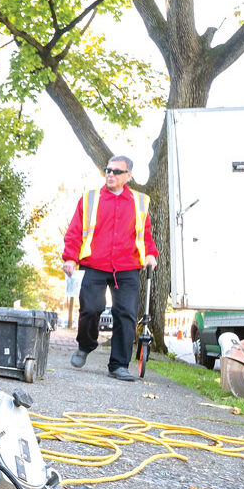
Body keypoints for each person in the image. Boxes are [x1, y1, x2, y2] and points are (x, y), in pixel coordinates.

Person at [62, 156, 158, 382]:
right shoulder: (90, 199)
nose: (110, 174)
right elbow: (75, 230)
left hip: (126, 266)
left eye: (116, 171)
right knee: (91, 309)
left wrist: (151, 254)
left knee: (125, 314)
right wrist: (70, 257)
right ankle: (85, 345)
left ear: (128, 176)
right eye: (108, 170)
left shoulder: (140, 201)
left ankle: (118, 365)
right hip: (94, 263)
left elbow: (144, 234)